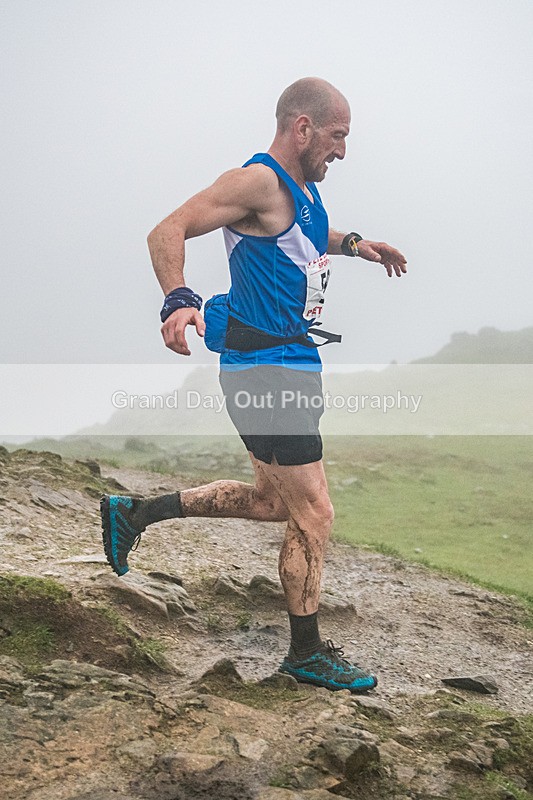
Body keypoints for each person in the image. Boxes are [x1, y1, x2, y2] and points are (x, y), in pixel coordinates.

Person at [101, 77, 407, 693]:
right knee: (314, 511)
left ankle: (135, 512)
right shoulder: (258, 181)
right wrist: (178, 298)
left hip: (288, 363)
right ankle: (306, 654)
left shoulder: (301, 191)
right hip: (267, 372)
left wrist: (356, 245)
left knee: (273, 502)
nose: (343, 151)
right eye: (337, 136)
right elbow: (167, 229)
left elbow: (304, 234)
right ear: (302, 127)